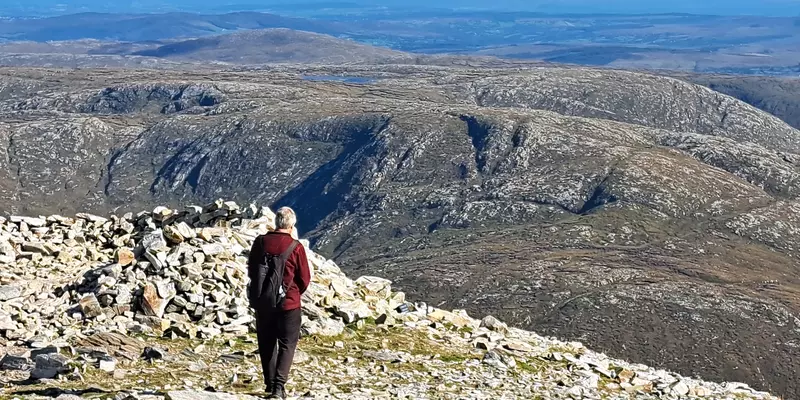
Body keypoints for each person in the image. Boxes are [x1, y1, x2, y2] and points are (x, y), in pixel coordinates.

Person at [247, 207, 311, 399]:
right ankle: (278, 387)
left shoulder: (260, 243)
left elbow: (251, 270)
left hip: (264, 302)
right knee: (287, 344)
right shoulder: (296, 247)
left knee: (266, 343)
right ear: (291, 225)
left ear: (276, 223)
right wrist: (292, 293)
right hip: (288, 304)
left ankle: (269, 383)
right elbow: (304, 278)